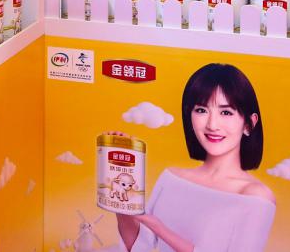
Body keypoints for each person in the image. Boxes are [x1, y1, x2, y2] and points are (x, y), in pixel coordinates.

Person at [116, 63, 276, 252]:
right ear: (189, 115)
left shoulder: (255, 195)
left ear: (249, 123)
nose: (212, 125)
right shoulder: (170, 178)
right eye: (201, 110)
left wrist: (160, 229)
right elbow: (138, 247)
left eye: (226, 112)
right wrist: (121, 195)